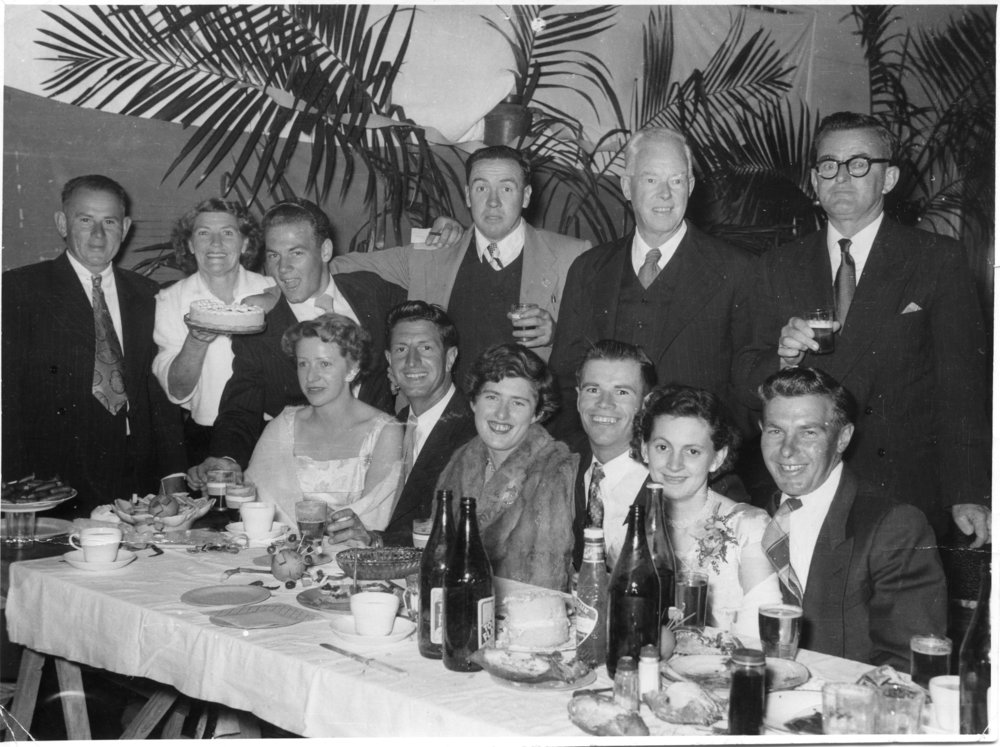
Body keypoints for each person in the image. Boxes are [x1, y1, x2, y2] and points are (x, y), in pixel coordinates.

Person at [736, 112, 991, 546]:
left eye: (858, 164)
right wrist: (781, 360)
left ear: (888, 177)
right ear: (815, 182)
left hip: (901, 491)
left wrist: (967, 493)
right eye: (829, 166)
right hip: (800, 482)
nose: (842, 177)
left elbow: (962, 387)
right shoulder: (776, 266)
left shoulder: (936, 260)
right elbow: (741, 377)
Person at [550, 127, 756, 440]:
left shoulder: (737, 270)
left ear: (690, 186)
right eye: (650, 179)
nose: (665, 194)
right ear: (627, 187)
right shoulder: (588, 269)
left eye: (676, 180)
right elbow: (566, 381)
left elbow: (746, 393)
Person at [187, 199, 404, 489]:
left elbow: (425, 318)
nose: (283, 268)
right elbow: (241, 406)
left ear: (325, 250)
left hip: (385, 469)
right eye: (274, 256)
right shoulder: (261, 325)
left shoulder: (370, 290)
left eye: (296, 253)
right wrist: (226, 457)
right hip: (307, 482)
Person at [2, 174, 186, 515]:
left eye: (109, 222)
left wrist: (173, 473)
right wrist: (14, 486)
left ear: (126, 226)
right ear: (62, 223)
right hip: (51, 482)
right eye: (85, 220)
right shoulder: (18, 291)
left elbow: (158, 390)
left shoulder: (149, 295)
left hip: (137, 478)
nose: (98, 235)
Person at [331, 145, 591, 383]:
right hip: (444, 420)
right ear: (468, 195)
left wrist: (558, 333)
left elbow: (599, 342)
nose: (493, 201)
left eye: (506, 188)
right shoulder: (432, 252)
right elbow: (339, 266)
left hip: (526, 420)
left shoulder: (572, 256)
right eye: (481, 188)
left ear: (526, 196)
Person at [758, 367, 947, 669]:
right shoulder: (755, 514)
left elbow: (908, 664)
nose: (787, 450)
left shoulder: (893, 527)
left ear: (843, 438)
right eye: (776, 431)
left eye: (808, 432)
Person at [324, 301, 477, 548]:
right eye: (401, 350)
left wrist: (376, 540)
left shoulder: (473, 430)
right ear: (389, 361)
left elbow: (454, 529)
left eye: (426, 348)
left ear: (450, 358)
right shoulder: (394, 424)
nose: (412, 361)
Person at [634, 385, 781, 638]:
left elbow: (759, 634)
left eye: (692, 451)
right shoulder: (636, 529)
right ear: (645, 449)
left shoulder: (749, 527)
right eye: (662, 447)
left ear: (717, 458)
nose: (674, 464)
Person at [435, 344, 578, 591]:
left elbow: (543, 585)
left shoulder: (554, 470)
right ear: (473, 402)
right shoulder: (461, 460)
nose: (501, 414)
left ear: (537, 413)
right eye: (492, 397)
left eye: (518, 403)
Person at [245, 314, 403, 535]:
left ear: (352, 369)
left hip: (356, 560)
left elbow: (377, 518)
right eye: (303, 364)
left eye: (324, 364)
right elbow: (259, 509)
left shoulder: (385, 431)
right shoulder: (282, 428)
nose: (311, 377)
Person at [151, 199, 275, 465]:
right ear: (190, 244)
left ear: (244, 244)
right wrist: (196, 340)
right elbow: (177, 390)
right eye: (203, 233)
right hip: (206, 437)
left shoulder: (272, 291)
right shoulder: (171, 299)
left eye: (228, 233)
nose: (216, 244)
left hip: (272, 432)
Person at [572, 340, 656, 569]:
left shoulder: (671, 478)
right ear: (578, 397)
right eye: (593, 389)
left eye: (621, 392)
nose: (604, 403)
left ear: (646, 403)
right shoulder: (561, 465)